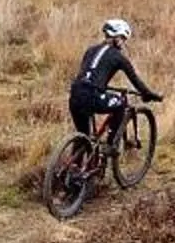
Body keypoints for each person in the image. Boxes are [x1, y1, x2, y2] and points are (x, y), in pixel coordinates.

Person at [69, 18, 163, 150]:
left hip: (75, 94)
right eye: (123, 38)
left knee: (83, 136)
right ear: (117, 38)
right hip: (93, 96)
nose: (123, 42)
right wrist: (149, 95)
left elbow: (88, 74)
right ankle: (110, 144)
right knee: (121, 104)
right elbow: (136, 81)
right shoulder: (119, 57)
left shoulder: (90, 50)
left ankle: (74, 167)